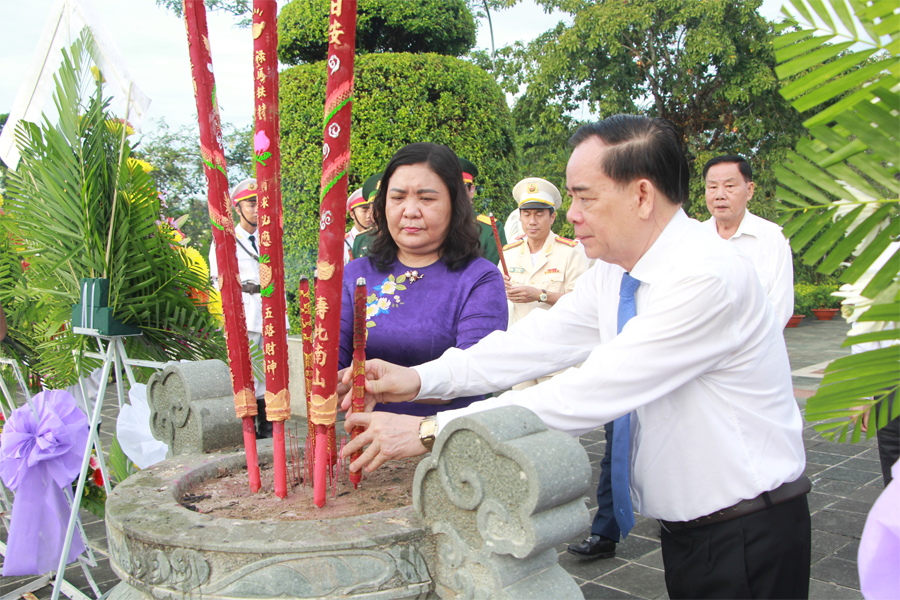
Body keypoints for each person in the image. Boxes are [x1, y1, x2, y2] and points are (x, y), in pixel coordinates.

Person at [340, 116, 810, 600]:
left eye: (586, 197)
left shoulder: (706, 278)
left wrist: (430, 430)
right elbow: (532, 344)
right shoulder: (616, 271)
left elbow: (591, 389)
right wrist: (416, 379)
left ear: (642, 196)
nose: (573, 215)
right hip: (694, 530)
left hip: (747, 531)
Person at [338, 142, 508, 418]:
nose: (410, 211)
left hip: (445, 438)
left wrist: (404, 385)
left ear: (455, 204)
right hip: (363, 434)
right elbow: (334, 361)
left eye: (426, 199)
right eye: (397, 198)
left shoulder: (479, 279)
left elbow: (474, 373)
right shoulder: (356, 274)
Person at [208, 178, 289, 438]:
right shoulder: (225, 239)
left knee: (273, 372)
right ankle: (248, 431)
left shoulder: (273, 237)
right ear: (237, 207)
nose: (257, 209)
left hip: (272, 312)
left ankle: (269, 430)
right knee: (248, 373)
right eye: (251, 203)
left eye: (260, 204)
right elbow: (216, 281)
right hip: (246, 312)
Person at [502, 177, 588, 389]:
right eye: (527, 214)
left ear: (552, 217)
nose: (532, 221)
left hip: (558, 355)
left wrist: (540, 294)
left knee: (556, 418)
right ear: (520, 217)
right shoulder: (508, 255)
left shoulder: (570, 252)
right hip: (520, 354)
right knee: (522, 417)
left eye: (539, 214)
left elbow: (582, 303)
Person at [703, 155, 794, 327]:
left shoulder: (773, 238)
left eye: (729, 186)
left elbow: (780, 307)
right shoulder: (693, 239)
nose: (719, 195)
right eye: (712, 187)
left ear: (750, 190)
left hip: (756, 349)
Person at [459, 157, 507, 265]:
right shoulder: (435, 226)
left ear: (471, 191)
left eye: (460, 189)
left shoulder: (490, 229)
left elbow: (495, 275)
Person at [350, 173, 382, 260]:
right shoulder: (361, 240)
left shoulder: (402, 236)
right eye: (373, 207)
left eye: (381, 206)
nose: (377, 212)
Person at [343, 187, 373, 265]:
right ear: (352, 214)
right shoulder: (344, 243)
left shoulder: (380, 238)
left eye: (372, 210)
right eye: (364, 211)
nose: (369, 215)